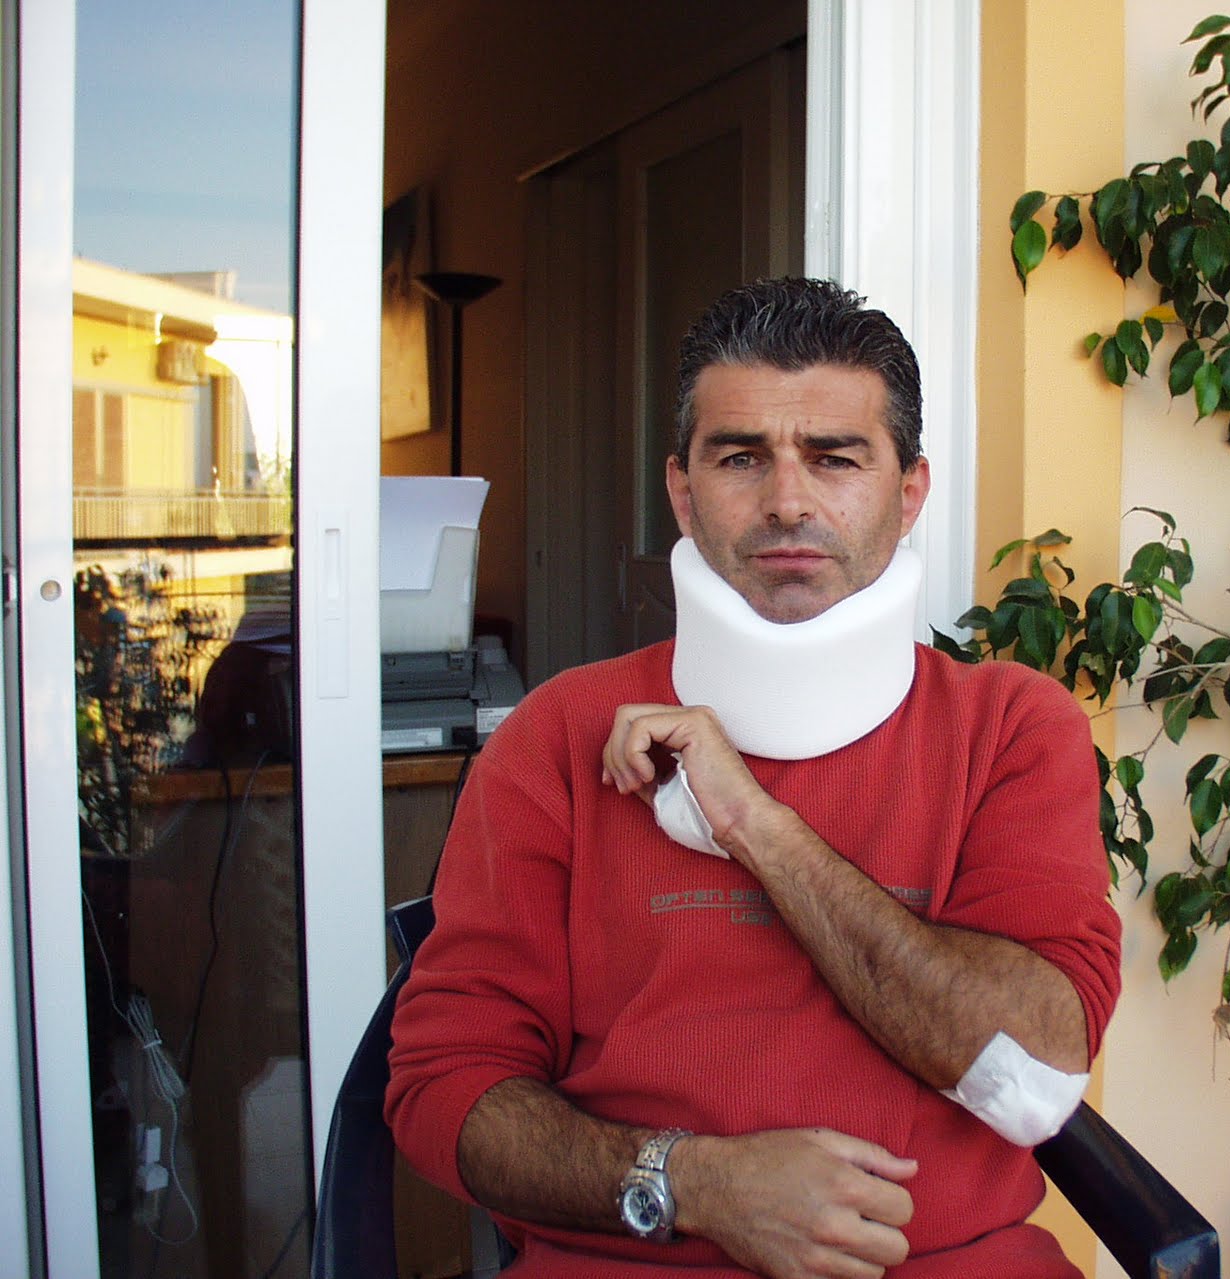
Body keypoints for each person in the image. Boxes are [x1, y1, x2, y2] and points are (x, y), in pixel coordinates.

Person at [386, 277, 1121, 1278]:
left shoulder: (1010, 728)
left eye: (835, 458)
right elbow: (443, 1091)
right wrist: (696, 1184)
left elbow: (1032, 1075)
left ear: (910, 492)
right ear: (682, 491)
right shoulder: (555, 737)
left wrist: (753, 824)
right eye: (740, 458)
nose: (787, 501)